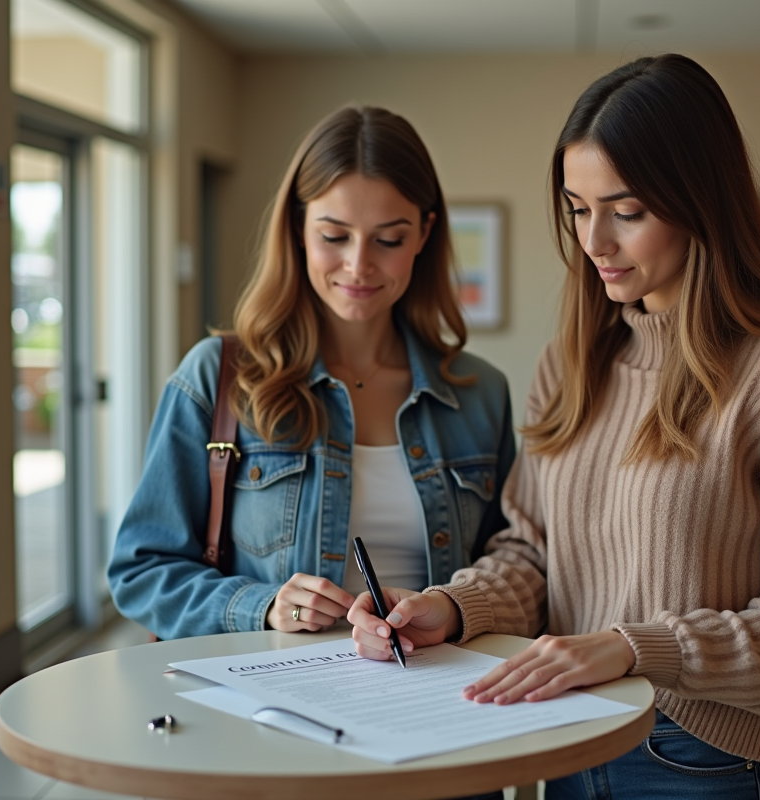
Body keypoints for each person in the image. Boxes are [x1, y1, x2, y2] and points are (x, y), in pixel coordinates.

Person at [349, 55, 760, 799]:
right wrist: (452, 607)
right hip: (565, 736)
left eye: (626, 211)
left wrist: (637, 649)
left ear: (703, 202)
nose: (594, 240)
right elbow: (532, 550)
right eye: (576, 207)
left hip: (702, 759)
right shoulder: (569, 362)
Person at [109, 106, 515, 642]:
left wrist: (454, 606)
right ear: (298, 228)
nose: (358, 265)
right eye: (334, 236)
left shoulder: (481, 392)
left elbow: (515, 564)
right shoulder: (217, 377)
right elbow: (141, 571)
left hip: (437, 699)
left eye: (388, 240)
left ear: (424, 233)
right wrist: (265, 607)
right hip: (273, 701)